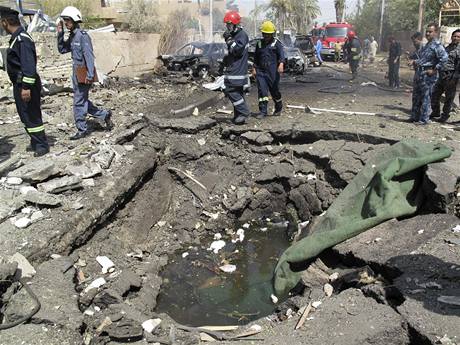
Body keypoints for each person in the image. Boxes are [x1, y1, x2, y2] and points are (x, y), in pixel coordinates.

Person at [57, 6, 113, 140]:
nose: (66, 23)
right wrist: (60, 34)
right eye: (64, 20)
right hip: (76, 74)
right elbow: (62, 50)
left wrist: (89, 75)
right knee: (83, 101)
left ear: (74, 20)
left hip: (83, 74)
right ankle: (104, 114)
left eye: (67, 20)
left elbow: (89, 56)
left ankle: (82, 129)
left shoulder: (83, 37)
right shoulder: (72, 36)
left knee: (78, 102)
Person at [0, 6, 49, 156]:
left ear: (5, 22)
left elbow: (28, 66)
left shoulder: (22, 40)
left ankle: (42, 144)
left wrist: (26, 87)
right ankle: (35, 141)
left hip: (26, 84)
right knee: (25, 114)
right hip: (20, 83)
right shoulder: (17, 38)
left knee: (31, 114)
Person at [410, 23, 448, 125]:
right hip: (420, 73)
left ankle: (424, 119)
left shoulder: (437, 45)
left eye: (430, 32)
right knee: (416, 96)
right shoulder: (427, 45)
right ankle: (414, 116)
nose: (427, 33)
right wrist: (415, 62)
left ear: (436, 32)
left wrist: (434, 70)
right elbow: (423, 60)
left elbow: (444, 59)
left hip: (428, 75)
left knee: (426, 98)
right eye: (427, 31)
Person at [222, 10, 250, 125]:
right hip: (234, 67)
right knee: (238, 92)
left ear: (235, 24)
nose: (228, 27)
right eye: (227, 25)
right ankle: (238, 117)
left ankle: (244, 112)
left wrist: (229, 40)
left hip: (237, 70)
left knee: (230, 89)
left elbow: (237, 51)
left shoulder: (242, 35)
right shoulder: (235, 35)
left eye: (229, 25)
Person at [252, 20, 284, 119]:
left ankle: (278, 107)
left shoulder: (277, 43)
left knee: (274, 91)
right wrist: (254, 68)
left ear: (272, 34)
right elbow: (256, 57)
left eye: (268, 34)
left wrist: (281, 64)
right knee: (262, 91)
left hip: (273, 71)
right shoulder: (259, 44)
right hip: (261, 71)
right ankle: (263, 111)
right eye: (265, 34)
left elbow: (281, 55)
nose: (266, 36)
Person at [431, 29, 460, 122]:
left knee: (449, 98)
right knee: (435, 94)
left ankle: (445, 115)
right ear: (451, 37)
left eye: (458, 37)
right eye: (454, 36)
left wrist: (454, 78)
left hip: (451, 76)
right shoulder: (447, 47)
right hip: (441, 75)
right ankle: (435, 112)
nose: (455, 38)